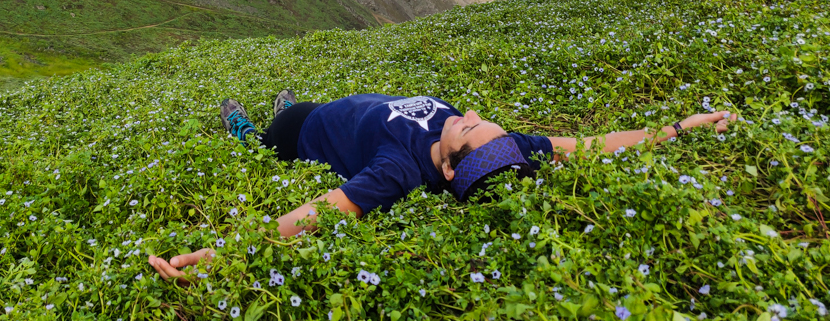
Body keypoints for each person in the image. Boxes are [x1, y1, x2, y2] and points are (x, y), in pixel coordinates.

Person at [149, 90, 737, 284]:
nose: (471, 118)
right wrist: (677, 129)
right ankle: (285, 101)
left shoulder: (401, 171)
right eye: (483, 121)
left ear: (451, 170)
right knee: (303, 100)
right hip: (339, 105)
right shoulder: (505, 151)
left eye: (470, 131)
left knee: (264, 141)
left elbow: (319, 211)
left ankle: (245, 124)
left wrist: (221, 254)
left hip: (306, 134)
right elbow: (588, 144)